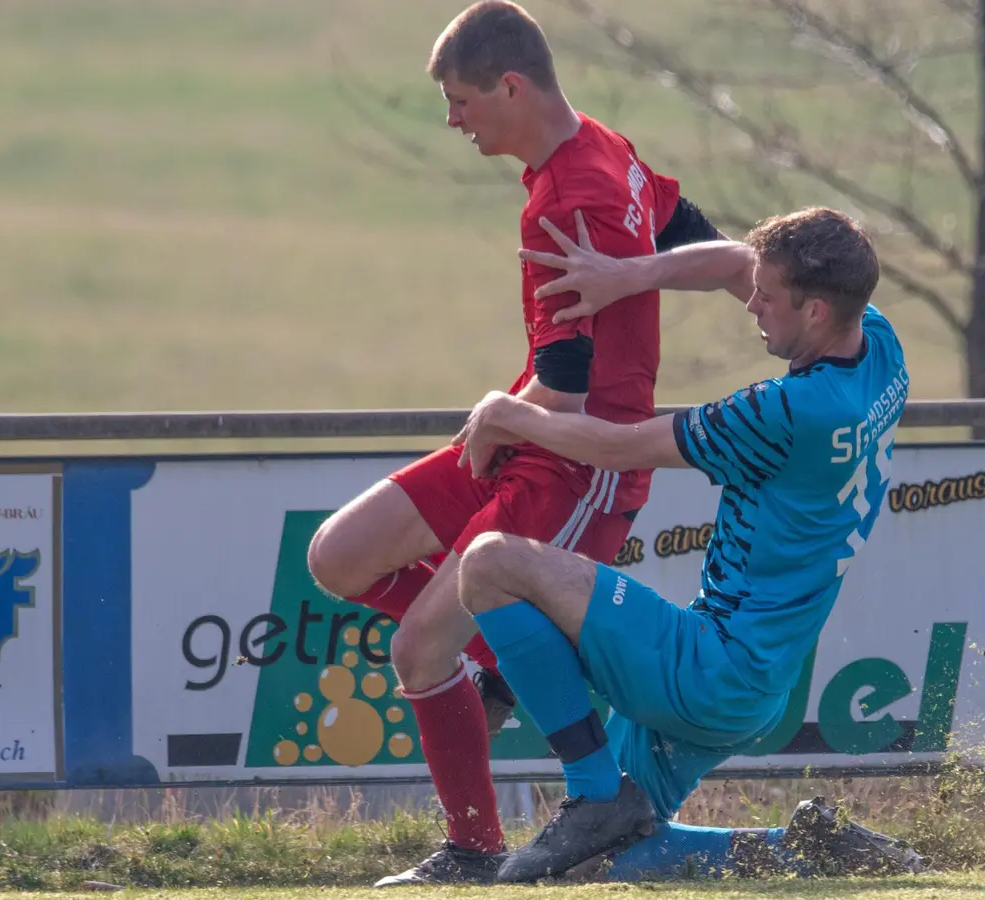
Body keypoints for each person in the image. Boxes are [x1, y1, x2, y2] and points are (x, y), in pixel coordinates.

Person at [302, 0, 722, 887]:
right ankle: (495, 657)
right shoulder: (601, 150)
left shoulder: (573, 195)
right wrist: (657, 273)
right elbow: (707, 243)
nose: (452, 120)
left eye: (460, 101)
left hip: (577, 464)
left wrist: (499, 409)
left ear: (512, 86)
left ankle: (472, 850)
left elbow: (565, 388)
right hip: (527, 435)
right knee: (337, 556)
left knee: (417, 649)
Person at [450, 205, 914, 882]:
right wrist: (623, 276)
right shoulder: (878, 345)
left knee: (490, 564)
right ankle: (804, 849)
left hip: (708, 669)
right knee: (593, 869)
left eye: (768, 297)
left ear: (814, 311)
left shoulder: (788, 412)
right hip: (755, 682)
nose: (751, 302)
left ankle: (594, 790)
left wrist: (506, 412)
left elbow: (623, 445)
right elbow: (734, 262)